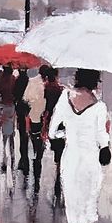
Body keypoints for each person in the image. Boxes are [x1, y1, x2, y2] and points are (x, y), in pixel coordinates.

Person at [49, 69, 111, 223]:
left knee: (74, 221)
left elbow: (53, 131)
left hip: (70, 162)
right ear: (95, 80)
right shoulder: (100, 106)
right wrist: (105, 142)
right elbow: (103, 141)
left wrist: (68, 135)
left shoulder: (64, 98)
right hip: (89, 165)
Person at [41, 66, 66, 201]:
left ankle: (58, 172)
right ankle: (59, 175)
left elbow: (46, 108)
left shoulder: (46, 89)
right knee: (61, 151)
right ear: (56, 77)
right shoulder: (61, 90)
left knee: (57, 151)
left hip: (50, 121)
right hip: (61, 122)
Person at [21, 69, 47, 188]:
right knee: (40, 147)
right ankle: (37, 170)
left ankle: (35, 165)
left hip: (33, 118)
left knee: (34, 141)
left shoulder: (32, 82)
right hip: (44, 120)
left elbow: (25, 99)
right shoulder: (46, 86)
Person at [0, 62, 19, 174]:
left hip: (3, 106)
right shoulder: (12, 79)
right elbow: (15, 91)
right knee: (11, 130)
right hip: (11, 106)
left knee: (4, 131)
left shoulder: (0, 78)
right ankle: (12, 153)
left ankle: (5, 155)